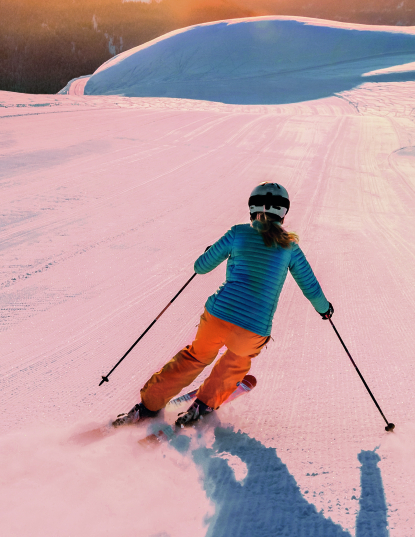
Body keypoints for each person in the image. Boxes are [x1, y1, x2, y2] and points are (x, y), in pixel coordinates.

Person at [115, 182, 333, 429]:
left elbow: (201, 267)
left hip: (218, 316)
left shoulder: (237, 233)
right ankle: (203, 404)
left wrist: (212, 251)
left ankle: (148, 406)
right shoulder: (290, 247)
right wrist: (324, 308)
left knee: (195, 357)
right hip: (254, 327)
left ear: (251, 207)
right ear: (284, 212)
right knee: (236, 362)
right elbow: (311, 287)